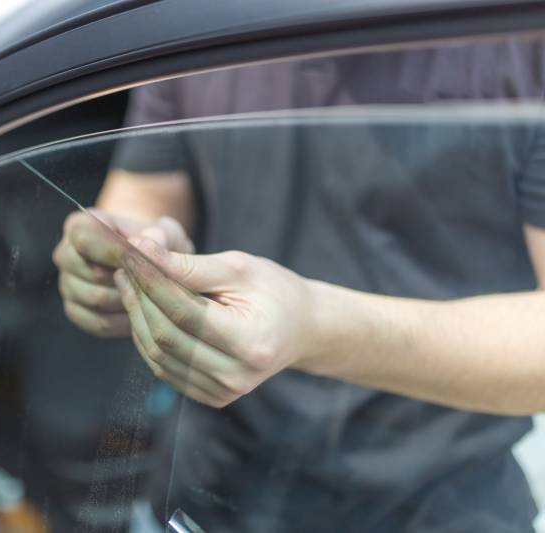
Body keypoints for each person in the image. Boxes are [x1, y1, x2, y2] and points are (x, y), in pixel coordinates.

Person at [53, 40, 545, 532]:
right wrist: (128, 252)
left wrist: (318, 326)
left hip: (438, 502)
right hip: (206, 493)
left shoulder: (515, 37)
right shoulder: (196, 21)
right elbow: (143, 195)